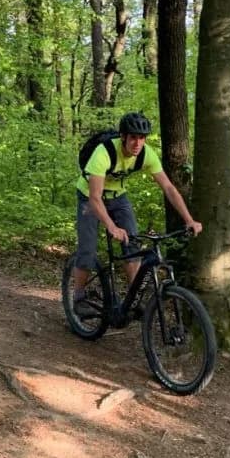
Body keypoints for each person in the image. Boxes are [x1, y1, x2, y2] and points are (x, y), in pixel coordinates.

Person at [72, 112, 203, 317]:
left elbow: (168, 187)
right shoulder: (104, 152)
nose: (137, 143)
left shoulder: (146, 154)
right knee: (88, 249)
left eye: (142, 138)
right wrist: (111, 226)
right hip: (89, 196)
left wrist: (189, 219)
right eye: (133, 137)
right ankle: (78, 297)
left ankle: (133, 300)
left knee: (132, 246)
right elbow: (95, 198)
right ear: (123, 136)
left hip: (118, 197)